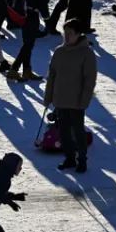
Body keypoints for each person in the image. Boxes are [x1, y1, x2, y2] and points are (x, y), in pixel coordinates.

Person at [44, 18, 96, 173]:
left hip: (76, 101)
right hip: (60, 100)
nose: (66, 36)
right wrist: (48, 97)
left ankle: (82, 160)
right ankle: (70, 157)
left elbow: (89, 80)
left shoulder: (87, 54)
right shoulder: (59, 51)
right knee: (64, 131)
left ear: (78, 34)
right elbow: (52, 75)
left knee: (78, 131)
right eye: (65, 33)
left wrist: (84, 101)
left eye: (70, 33)